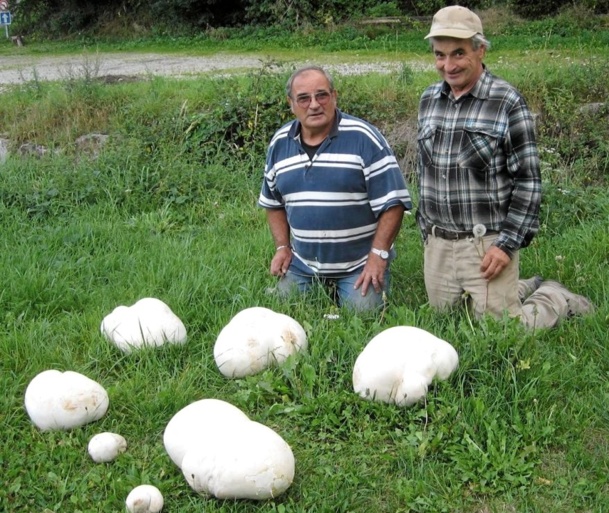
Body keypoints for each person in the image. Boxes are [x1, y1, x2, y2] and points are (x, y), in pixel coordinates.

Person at [416, 6, 593, 329]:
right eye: (440, 55)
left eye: (459, 53)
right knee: (447, 325)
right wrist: (426, 229)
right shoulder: (429, 99)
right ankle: (519, 287)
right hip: (439, 243)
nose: (449, 65)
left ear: (480, 49)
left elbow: (528, 182)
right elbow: (424, 171)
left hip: (486, 243)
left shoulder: (507, 101)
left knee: (502, 333)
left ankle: (554, 296)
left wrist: (507, 244)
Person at [258, 65, 412, 312]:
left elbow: (393, 204)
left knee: (363, 314)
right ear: (291, 103)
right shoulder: (279, 143)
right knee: (284, 308)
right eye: (304, 98)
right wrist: (282, 247)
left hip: (359, 262)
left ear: (334, 96)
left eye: (322, 95)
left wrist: (378, 255)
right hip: (303, 263)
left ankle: (354, 286)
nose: (314, 104)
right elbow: (273, 203)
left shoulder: (364, 137)